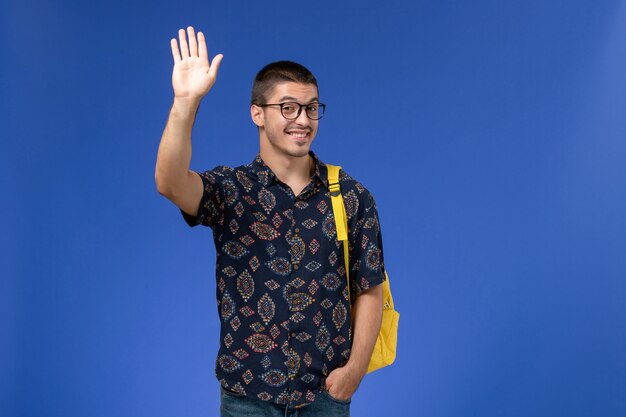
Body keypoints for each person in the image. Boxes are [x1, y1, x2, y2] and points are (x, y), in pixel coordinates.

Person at [155, 26, 386, 417]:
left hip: (325, 397)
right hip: (247, 397)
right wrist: (186, 102)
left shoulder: (351, 196)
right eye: (289, 107)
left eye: (312, 108)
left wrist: (354, 374)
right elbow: (169, 182)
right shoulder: (232, 190)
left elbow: (369, 289)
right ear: (257, 114)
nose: (303, 119)